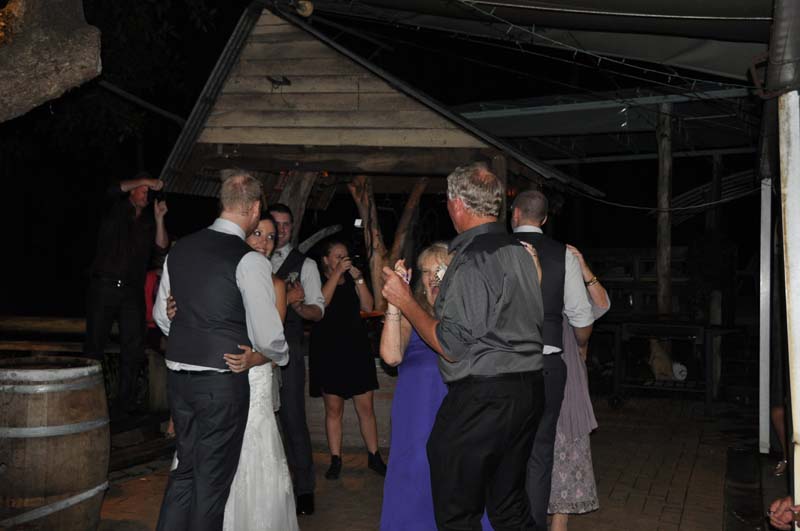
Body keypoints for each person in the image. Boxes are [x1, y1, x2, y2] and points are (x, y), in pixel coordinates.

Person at [382, 162, 546, 530]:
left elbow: (451, 345)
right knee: (508, 508)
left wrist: (404, 300)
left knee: (457, 514)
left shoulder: (473, 259)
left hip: (483, 398)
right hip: (528, 391)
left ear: (456, 204)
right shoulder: (520, 253)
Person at [153, 172, 288, 531]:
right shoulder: (249, 260)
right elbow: (267, 336)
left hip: (178, 380)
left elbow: (161, 317)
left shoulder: (180, 249)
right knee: (211, 487)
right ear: (255, 208)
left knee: (185, 473)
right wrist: (281, 353)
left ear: (223, 203)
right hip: (219, 385)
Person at [511, 190, 594, 531]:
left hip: (502, 365)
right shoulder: (563, 255)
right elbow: (582, 318)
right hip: (548, 364)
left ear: (514, 214)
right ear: (544, 219)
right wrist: (581, 345)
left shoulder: (496, 249)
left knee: (502, 448)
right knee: (540, 453)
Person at [84, 172, 168, 417]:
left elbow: (161, 248)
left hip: (132, 292)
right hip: (104, 286)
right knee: (95, 345)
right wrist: (146, 180)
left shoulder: (149, 221)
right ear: (132, 190)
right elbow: (111, 189)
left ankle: (125, 405)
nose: (146, 194)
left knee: (133, 347)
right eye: (143, 190)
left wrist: (160, 219)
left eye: (148, 192)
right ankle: (88, 400)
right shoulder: (115, 209)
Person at [310, 240, 386, 479]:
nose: (343, 259)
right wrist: (337, 275)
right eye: (337, 256)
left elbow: (368, 306)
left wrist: (359, 278)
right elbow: (321, 303)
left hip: (356, 349)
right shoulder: (317, 279)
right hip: (329, 351)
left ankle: (374, 456)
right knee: (334, 410)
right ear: (326, 260)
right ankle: (335, 459)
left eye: (345, 255)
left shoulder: (352, 280)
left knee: (366, 408)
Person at [267, 202, 325, 515]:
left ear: (292, 227)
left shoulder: (306, 265)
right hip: (254, 349)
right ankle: (270, 487)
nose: (281, 230)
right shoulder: (251, 258)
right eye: (275, 224)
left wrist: (299, 306)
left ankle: (304, 489)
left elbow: (317, 311)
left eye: (286, 224)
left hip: (288, 349)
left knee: (292, 418)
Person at [548, 244, 610, 531]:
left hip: (569, 381)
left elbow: (602, 304)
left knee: (567, 448)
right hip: (537, 377)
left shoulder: (571, 298)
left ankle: (559, 523)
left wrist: (583, 267)